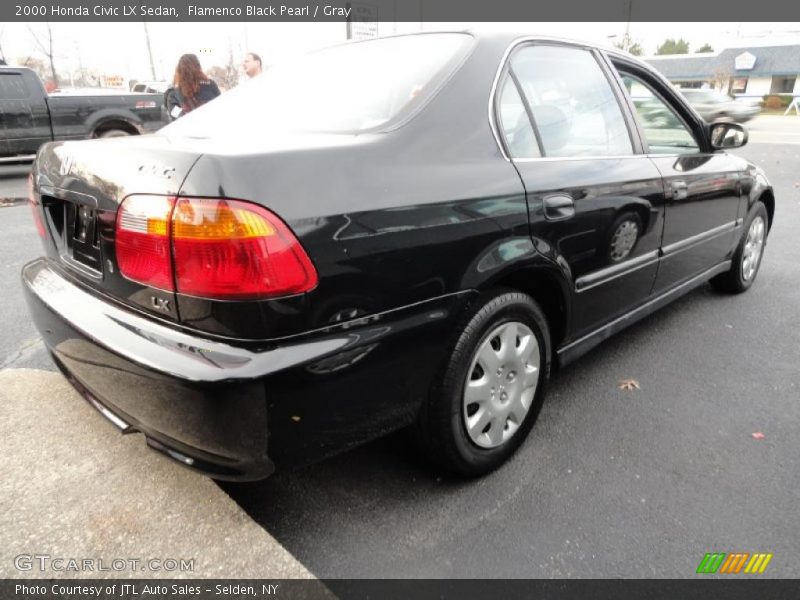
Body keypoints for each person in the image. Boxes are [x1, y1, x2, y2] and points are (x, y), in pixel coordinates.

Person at [170, 53, 220, 119]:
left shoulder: (175, 92)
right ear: (198, 66)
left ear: (179, 70)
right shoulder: (210, 84)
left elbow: (174, 113)